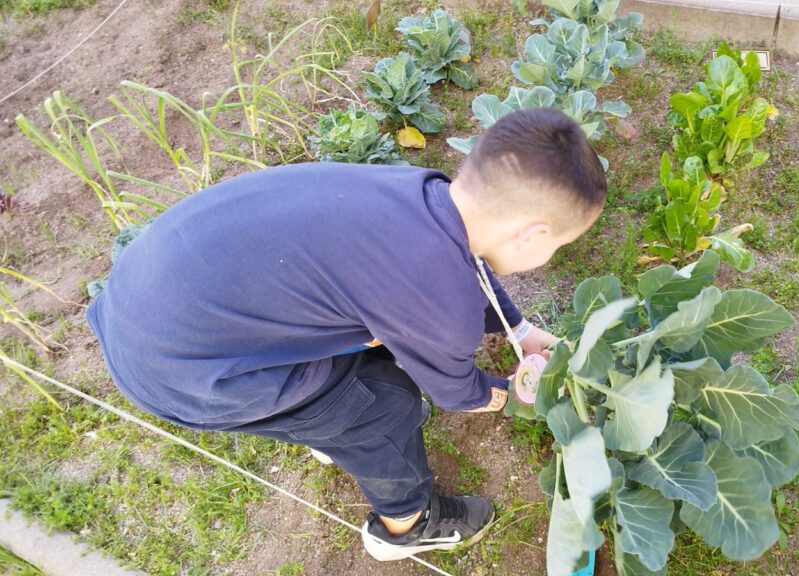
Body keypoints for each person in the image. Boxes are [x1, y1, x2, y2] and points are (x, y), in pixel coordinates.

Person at [86, 107, 606, 561]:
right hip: (181, 372)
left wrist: (520, 329)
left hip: (146, 296)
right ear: (533, 235)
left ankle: (324, 427)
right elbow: (455, 391)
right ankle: (406, 527)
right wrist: (510, 392)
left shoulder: (421, 192)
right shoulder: (433, 292)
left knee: (355, 357)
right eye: (557, 246)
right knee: (382, 406)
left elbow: (467, 265)